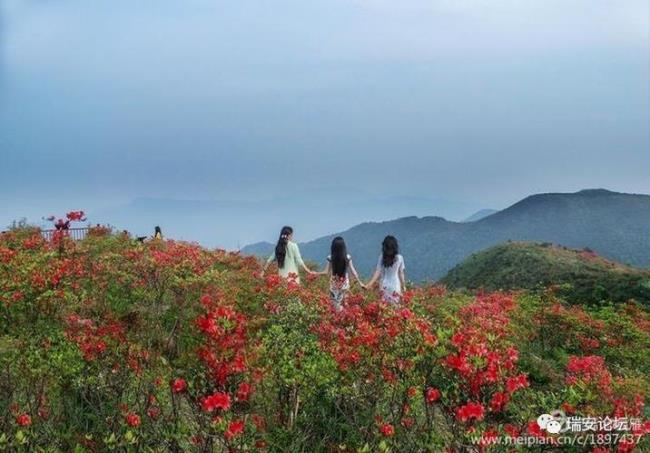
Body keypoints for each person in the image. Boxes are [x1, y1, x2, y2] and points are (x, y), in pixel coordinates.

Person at [318, 237, 365, 310]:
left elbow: (326, 272)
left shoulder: (330, 258)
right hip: (345, 285)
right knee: (345, 306)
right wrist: (360, 282)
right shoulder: (347, 257)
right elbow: (354, 272)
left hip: (334, 286)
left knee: (335, 307)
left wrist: (315, 273)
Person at [365, 235, 406, 303]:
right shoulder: (399, 258)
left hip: (384, 284)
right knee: (395, 306)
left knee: (384, 307)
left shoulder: (382, 257)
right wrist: (404, 286)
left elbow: (377, 272)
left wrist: (370, 284)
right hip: (395, 285)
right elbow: (401, 273)